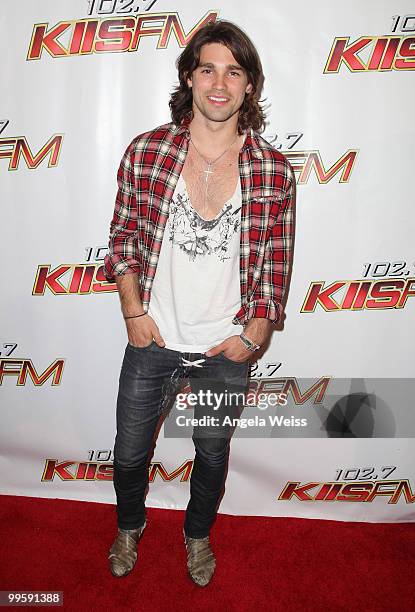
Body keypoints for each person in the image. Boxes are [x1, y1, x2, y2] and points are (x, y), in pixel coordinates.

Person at [103, 19, 295, 587]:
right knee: (130, 452)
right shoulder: (148, 152)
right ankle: (130, 526)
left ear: (250, 86)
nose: (219, 83)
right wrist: (134, 313)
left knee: (212, 455)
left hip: (224, 348)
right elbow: (122, 239)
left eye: (233, 71)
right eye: (207, 68)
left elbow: (275, 264)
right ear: (189, 76)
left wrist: (255, 332)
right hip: (154, 338)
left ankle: (197, 536)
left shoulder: (273, 170)